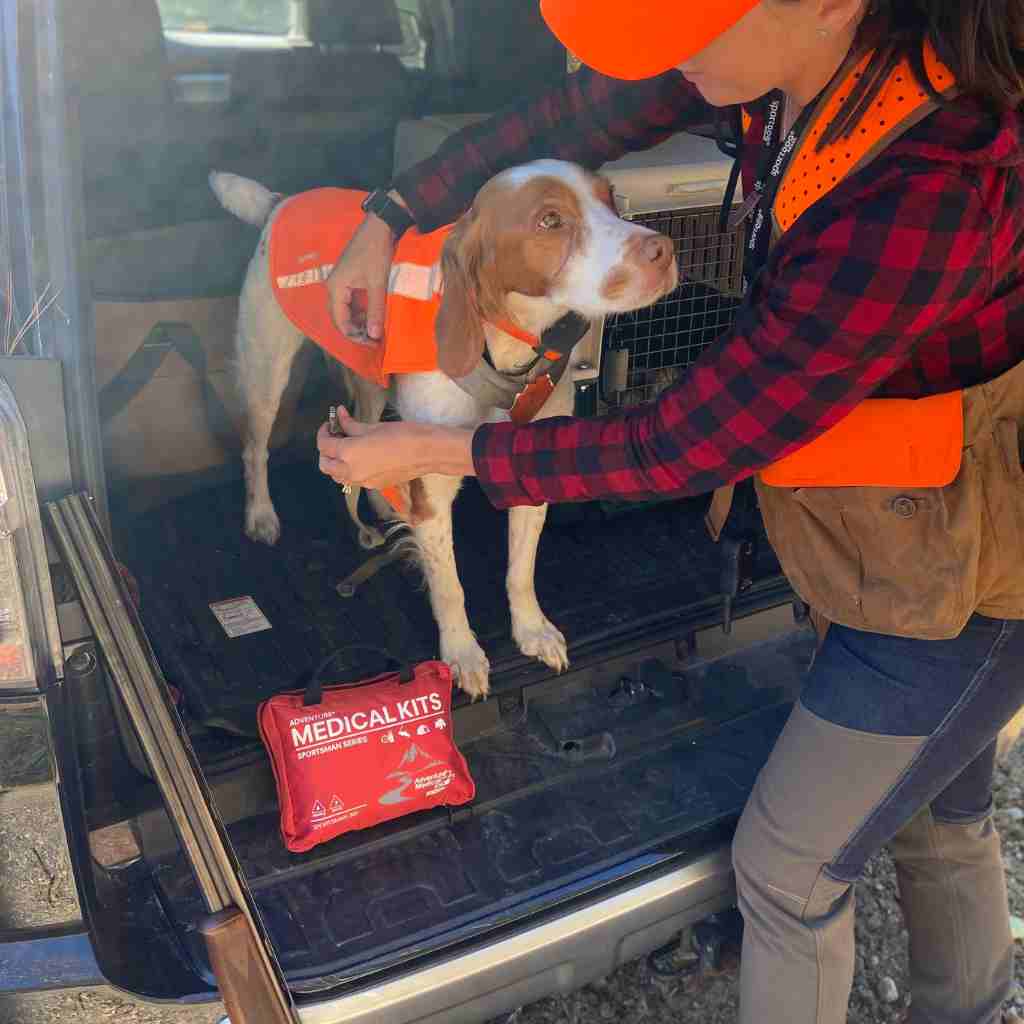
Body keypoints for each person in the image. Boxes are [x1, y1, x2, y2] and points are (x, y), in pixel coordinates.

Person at [317, 2, 1024, 1022]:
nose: (666, 54)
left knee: (786, 870)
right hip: (883, 531)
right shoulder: (776, 67)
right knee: (938, 807)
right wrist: (387, 213)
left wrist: (433, 448)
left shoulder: (928, 187)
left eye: (690, 20)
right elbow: (562, 118)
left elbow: (681, 443)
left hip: (970, 575)